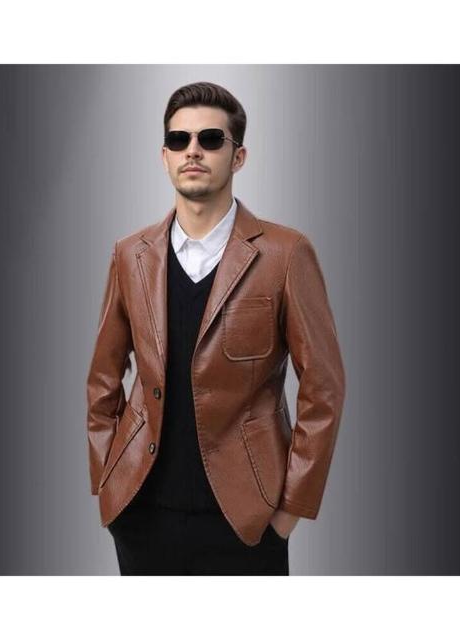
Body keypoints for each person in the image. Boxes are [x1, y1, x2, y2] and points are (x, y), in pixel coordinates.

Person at [86, 81, 346, 575]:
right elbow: (102, 378)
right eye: (179, 140)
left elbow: (324, 388)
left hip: (247, 520)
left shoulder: (285, 254)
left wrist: (288, 512)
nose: (193, 151)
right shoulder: (130, 255)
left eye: (210, 139)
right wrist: (107, 479)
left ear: (238, 156)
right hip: (141, 514)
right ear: (164, 156)